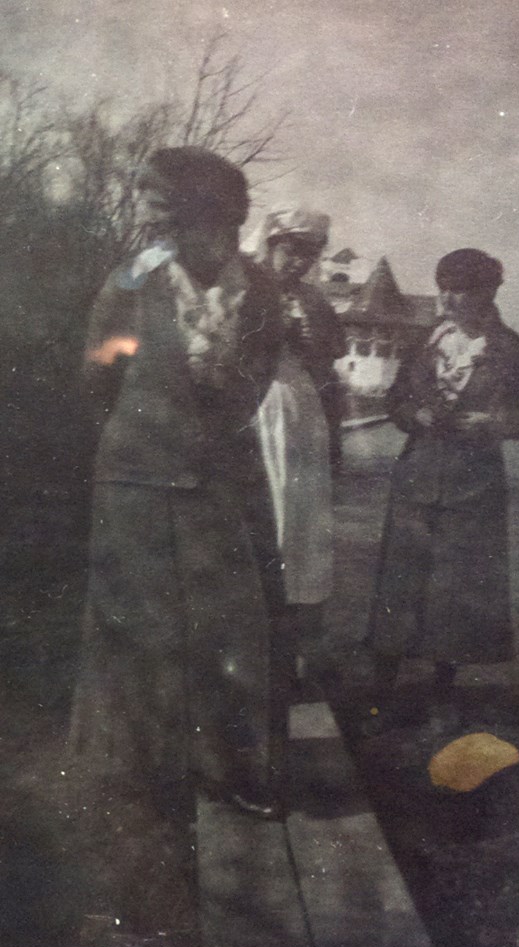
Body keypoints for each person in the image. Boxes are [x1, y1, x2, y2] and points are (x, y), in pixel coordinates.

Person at [69, 147, 286, 836]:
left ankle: (228, 771)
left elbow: (255, 382)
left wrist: (207, 419)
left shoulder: (259, 289)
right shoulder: (133, 279)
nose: (144, 215)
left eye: (157, 203)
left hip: (215, 476)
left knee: (227, 626)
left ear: (204, 214)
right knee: (131, 622)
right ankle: (130, 774)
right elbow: (98, 372)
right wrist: (146, 426)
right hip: (133, 475)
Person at [364, 248, 519, 733]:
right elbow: (396, 398)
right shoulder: (428, 341)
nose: (446, 298)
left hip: (474, 485)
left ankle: (442, 691)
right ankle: (380, 688)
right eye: (442, 285)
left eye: (459, 289)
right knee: (399, 582)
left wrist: (494, 422)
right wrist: (414, 416)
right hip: (417, 476)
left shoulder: (511, 352)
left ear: (487, 293)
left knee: (457, 591)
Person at [245, 207, 346, 694]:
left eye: (308, 256)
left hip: (302, 414)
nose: (298, 264)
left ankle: (296, 649)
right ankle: (253, 647)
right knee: (267, 517)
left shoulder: (313, 301)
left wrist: (313, 347)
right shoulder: (242, 288)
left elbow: (330, 363)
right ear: (270, 244)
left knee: (302, 524)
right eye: (291, 252)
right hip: (256, 409)